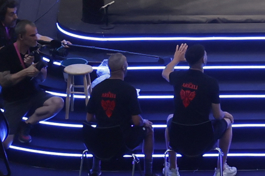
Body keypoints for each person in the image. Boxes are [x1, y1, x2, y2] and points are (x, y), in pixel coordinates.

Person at [162, 44, 236, 176]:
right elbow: (217, 115)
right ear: (203, 59)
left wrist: (175, 60)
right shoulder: (211, 83)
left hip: (179, 139)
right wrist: (227, 114)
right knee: (228, 123)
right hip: (204, 141)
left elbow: (165, 72)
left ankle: (173, 169)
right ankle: (221, 168)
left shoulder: (178, 77)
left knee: (170, 119)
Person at [85, 53, 155, 176]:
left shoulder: (97, 89)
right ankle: (148, 173)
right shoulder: (129, 90)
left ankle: (95, 170)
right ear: (123, 67)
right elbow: (137, 122)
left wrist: (106, 119)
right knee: (148, 129)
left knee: (98, 130)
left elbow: (89, 118)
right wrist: (145, 122)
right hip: (122, 143)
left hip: (99, 143)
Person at [0, 20, 64, 147]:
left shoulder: (35, 50)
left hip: (34, 94)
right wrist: (25, 72)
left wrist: (36, 71)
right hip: (14, 101)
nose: (37, 38)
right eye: (32, 35)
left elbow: (42, 79)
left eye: (36, 34)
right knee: (5, 144)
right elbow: (4, 81)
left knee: (58, 103)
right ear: (21, 37)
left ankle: (27, 124)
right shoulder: (5, 53)